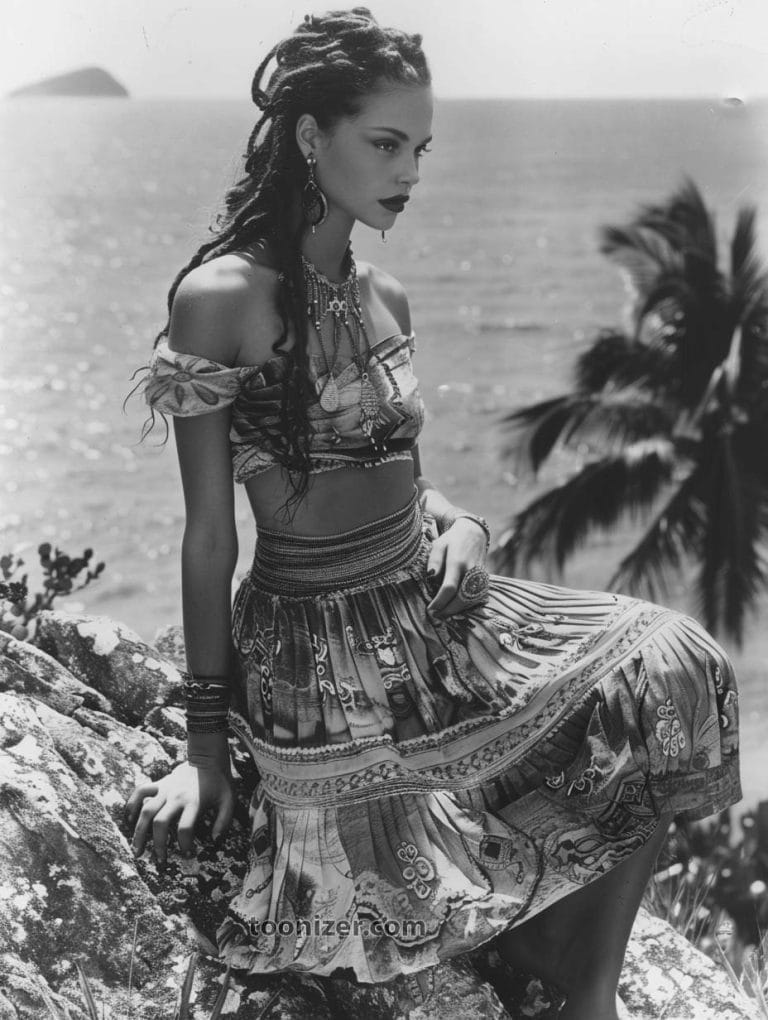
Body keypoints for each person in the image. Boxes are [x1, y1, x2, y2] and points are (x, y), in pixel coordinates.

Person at [123, 9, 741, 1019]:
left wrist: (464, 526)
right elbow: (209, 534)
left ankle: (581, 987)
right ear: (310, 135)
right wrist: (202, 749)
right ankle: (544, 949)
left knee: (675, 665)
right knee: (390, 884)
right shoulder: (220, 298)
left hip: (429, 606)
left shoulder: (388, 297)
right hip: (317, 644)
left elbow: (405, 480)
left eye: (420, 148)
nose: (409, 171)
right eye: (385, 144)